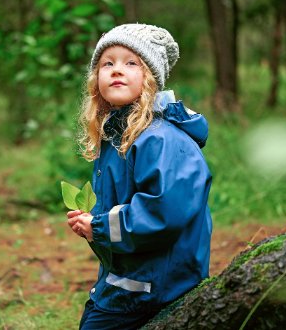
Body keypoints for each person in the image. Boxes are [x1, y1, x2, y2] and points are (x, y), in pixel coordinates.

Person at [67, 23, 213, 329]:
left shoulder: (160, 139)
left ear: (150, 79)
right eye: (108, 63)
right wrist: (91, 221)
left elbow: (162, 213)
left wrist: (100, 227)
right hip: (130, 278)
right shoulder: (119, 134)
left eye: (131, 63)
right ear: (96, 82)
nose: (117, 70)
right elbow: (123, 202)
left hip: (154, 285)